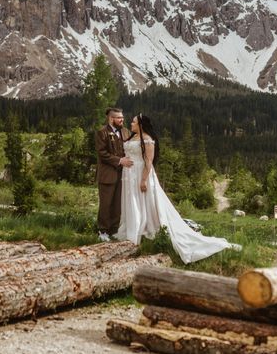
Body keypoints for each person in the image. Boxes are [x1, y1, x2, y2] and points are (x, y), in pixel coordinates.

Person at [115, 114, 241, 263]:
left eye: (134, 121)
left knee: (140, 203)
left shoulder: (148, 139)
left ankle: (135, 235)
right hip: (129, 176)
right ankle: (132, 230)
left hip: (140, 174)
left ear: (141, 125)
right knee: (132, 202)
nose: (131, 123)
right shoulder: (133, 137)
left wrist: (143, 180)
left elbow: (149, 161)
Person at [94, 107, 133, 242]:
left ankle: (114, 230)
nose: (122, 120)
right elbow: (102, 153)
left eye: (122, 117)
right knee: (106, 204)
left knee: (118, 204)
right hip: (107, 175)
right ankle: (103, 231)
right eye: (118, 117)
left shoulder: (126, 131)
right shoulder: (102, 132)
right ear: (111, 119)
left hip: (123, 175)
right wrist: (120, 160)